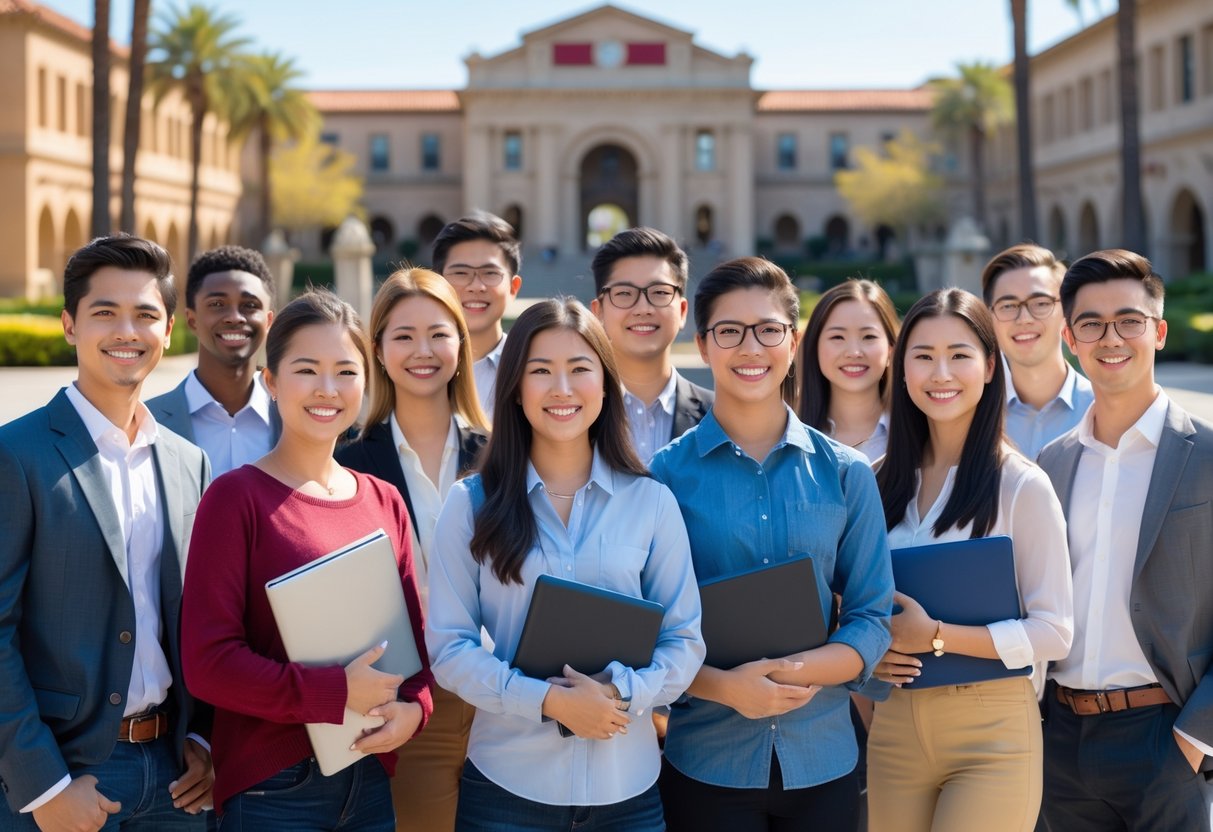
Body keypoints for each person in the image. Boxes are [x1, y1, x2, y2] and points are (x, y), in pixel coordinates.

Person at [426, 298, 705, 831]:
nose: (562, 389)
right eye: (541, 371)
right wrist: (549, 701)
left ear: (605, 383)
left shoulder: (651, 503)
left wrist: (618, 693)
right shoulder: (470, 505)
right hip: (507, 789)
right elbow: (451, 648)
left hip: (628, 793)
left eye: (580, 369)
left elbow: (685, 641)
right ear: (514, 387)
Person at [649, 257, 894, 832]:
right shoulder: (663, 477)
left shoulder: (846, 472)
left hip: (825, 760)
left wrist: (799, 669)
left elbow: (871, 616)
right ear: (703, 345)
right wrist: (727, 689)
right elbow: (651, 626)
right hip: (706, 761)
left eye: (767, 330)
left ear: (793, 342)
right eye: (729, 332)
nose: (750, 348)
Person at [180, 290, 434, 830]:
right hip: (273, 790)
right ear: (270, 382)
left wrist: (415, 709)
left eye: (346, 371)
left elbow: (417, 642)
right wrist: (336, 692)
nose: (328, 389)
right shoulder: (235, 499)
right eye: (306, 370)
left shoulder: (384, 498)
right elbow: (209, 664)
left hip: (369, 777)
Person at [0, 234, 212, 831]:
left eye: (146, 314)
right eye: (104, 313)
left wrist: (203, 736)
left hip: (175, 777)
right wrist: (43, 785)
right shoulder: (16, 453)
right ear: (70, 325)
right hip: (67, 776)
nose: (127, 331)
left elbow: (195, 616)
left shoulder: (185, 461)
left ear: (170, 330)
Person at [866, 288, 1074, 832]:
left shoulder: (1022, 485)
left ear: (988, 367)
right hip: (894, 724)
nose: (941, 373)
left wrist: (935, 635)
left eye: (959, 355)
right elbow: (856, 600)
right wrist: (872, 652)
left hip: (994, 730)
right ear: (901, 369)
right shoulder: (873, 481)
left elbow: (1055, 631)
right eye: (923, 355)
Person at [1036, 249, 1213, 831]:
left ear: (1158, 331)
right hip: (1060, 741)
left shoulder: (1207, 457)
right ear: (1070, 338)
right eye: (1091, 323)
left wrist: (1195, 738)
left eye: (1129, 321)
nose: (1111, 337)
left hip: (1165, 739)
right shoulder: (1052, 463)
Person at [335, 268, 489, 832]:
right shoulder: (347, 464)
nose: (422, 351)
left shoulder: (505, 458)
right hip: (409, 706)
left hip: (509, 703)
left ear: (461, 343)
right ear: (376, 348)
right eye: (403, 336)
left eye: (438, 333)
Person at [147, 245, 279, 475]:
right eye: (217, 304)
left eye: (250, 305)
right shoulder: (147, 422)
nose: (235, 317)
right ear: (192, 319)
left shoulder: (294, 416)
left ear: (268, 321)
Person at [589, 227, 713, 463]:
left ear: (683, 311)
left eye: (659, 292)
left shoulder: (720, 418)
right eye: (624, 293)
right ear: (598, 312)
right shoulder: (571, 414)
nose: (643, 308)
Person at [980, 244, 1093, 460]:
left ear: (1067, 312)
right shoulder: (975, 415)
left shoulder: (1102, 410)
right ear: (990, 318)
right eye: (1008, 305)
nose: (1024, 318)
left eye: (1040, 303)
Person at [798, 278, 900, 463]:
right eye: (837, 337)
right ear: (815, 347)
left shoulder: (918, 436)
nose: (854, 352)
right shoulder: (789, 438)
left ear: (891, 348)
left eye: (868, 336)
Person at [431, 213, 523, 418]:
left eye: (490, 273)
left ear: (513, 287)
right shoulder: (416, 366)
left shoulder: (529, 367)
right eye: (461, 273)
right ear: (437, 283)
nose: (476, 286)